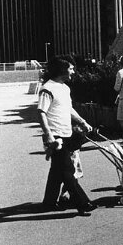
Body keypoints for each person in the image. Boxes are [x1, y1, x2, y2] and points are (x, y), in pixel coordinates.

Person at [37, 56, 96, 216]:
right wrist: (48, 135)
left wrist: (82, 121)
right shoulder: (47, 88)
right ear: (62, 70)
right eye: (71, 68)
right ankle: (83, 203)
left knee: (57, 170)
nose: (73, 71)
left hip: (66, 132)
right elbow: (41, 113)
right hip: (55, 136)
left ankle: (49, 203)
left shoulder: (64, 88)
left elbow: (69, 109)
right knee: (67, 170)